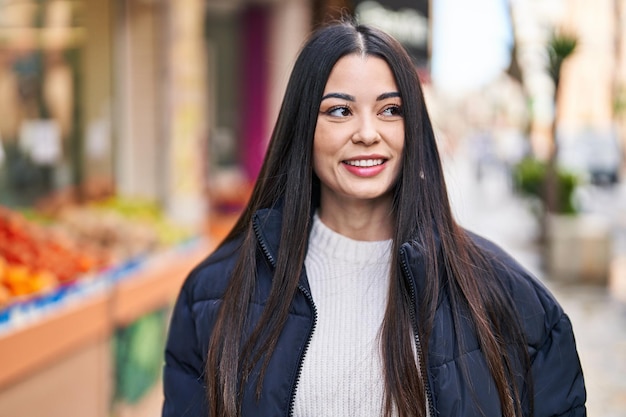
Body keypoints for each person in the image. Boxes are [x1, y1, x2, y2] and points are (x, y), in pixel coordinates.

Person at [162, 20, 586, 417]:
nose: (367, 132)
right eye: (339, 111)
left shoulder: (508, 296)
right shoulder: (214, 294)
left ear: (413, 129)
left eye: (390, 110)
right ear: (302, 129)